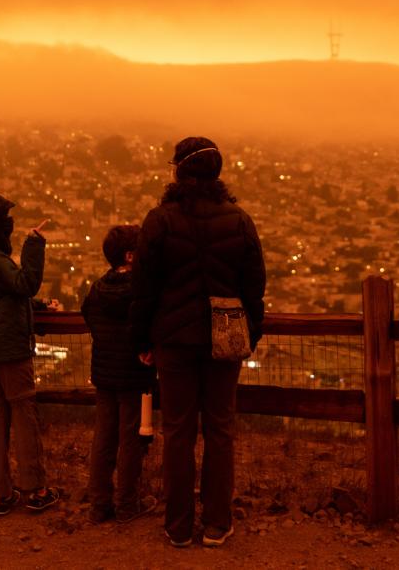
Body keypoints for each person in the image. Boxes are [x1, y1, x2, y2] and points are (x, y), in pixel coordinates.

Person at [130, 137, 266, 548]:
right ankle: (217, 523)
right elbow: (254, 288)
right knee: (221, 429)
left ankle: (178, 525)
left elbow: (143, 290)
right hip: (225, 340)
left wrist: (143, 339)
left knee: (178, 432)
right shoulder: (239, 221)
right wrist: (249, 336)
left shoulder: (160, 221)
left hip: (173, 340)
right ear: (217, 174)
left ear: (178, 172)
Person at [0, 192, 60, 516]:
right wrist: (34, 246)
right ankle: (36, 488)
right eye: (4, 217)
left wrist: (38, 309)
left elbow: (1, 298)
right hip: (8, 347)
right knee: (23, 414)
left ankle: (0, 493)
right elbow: (25, 283)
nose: (9, 223)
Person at [81, 224, 158, 524]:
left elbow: (90, 319)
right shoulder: (141, 292)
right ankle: (127, 503)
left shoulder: (97, 290)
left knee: (103, 438)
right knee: (131, 441)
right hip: (134, 375)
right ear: (129, 256)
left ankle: (99, 504)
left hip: (104, 374)